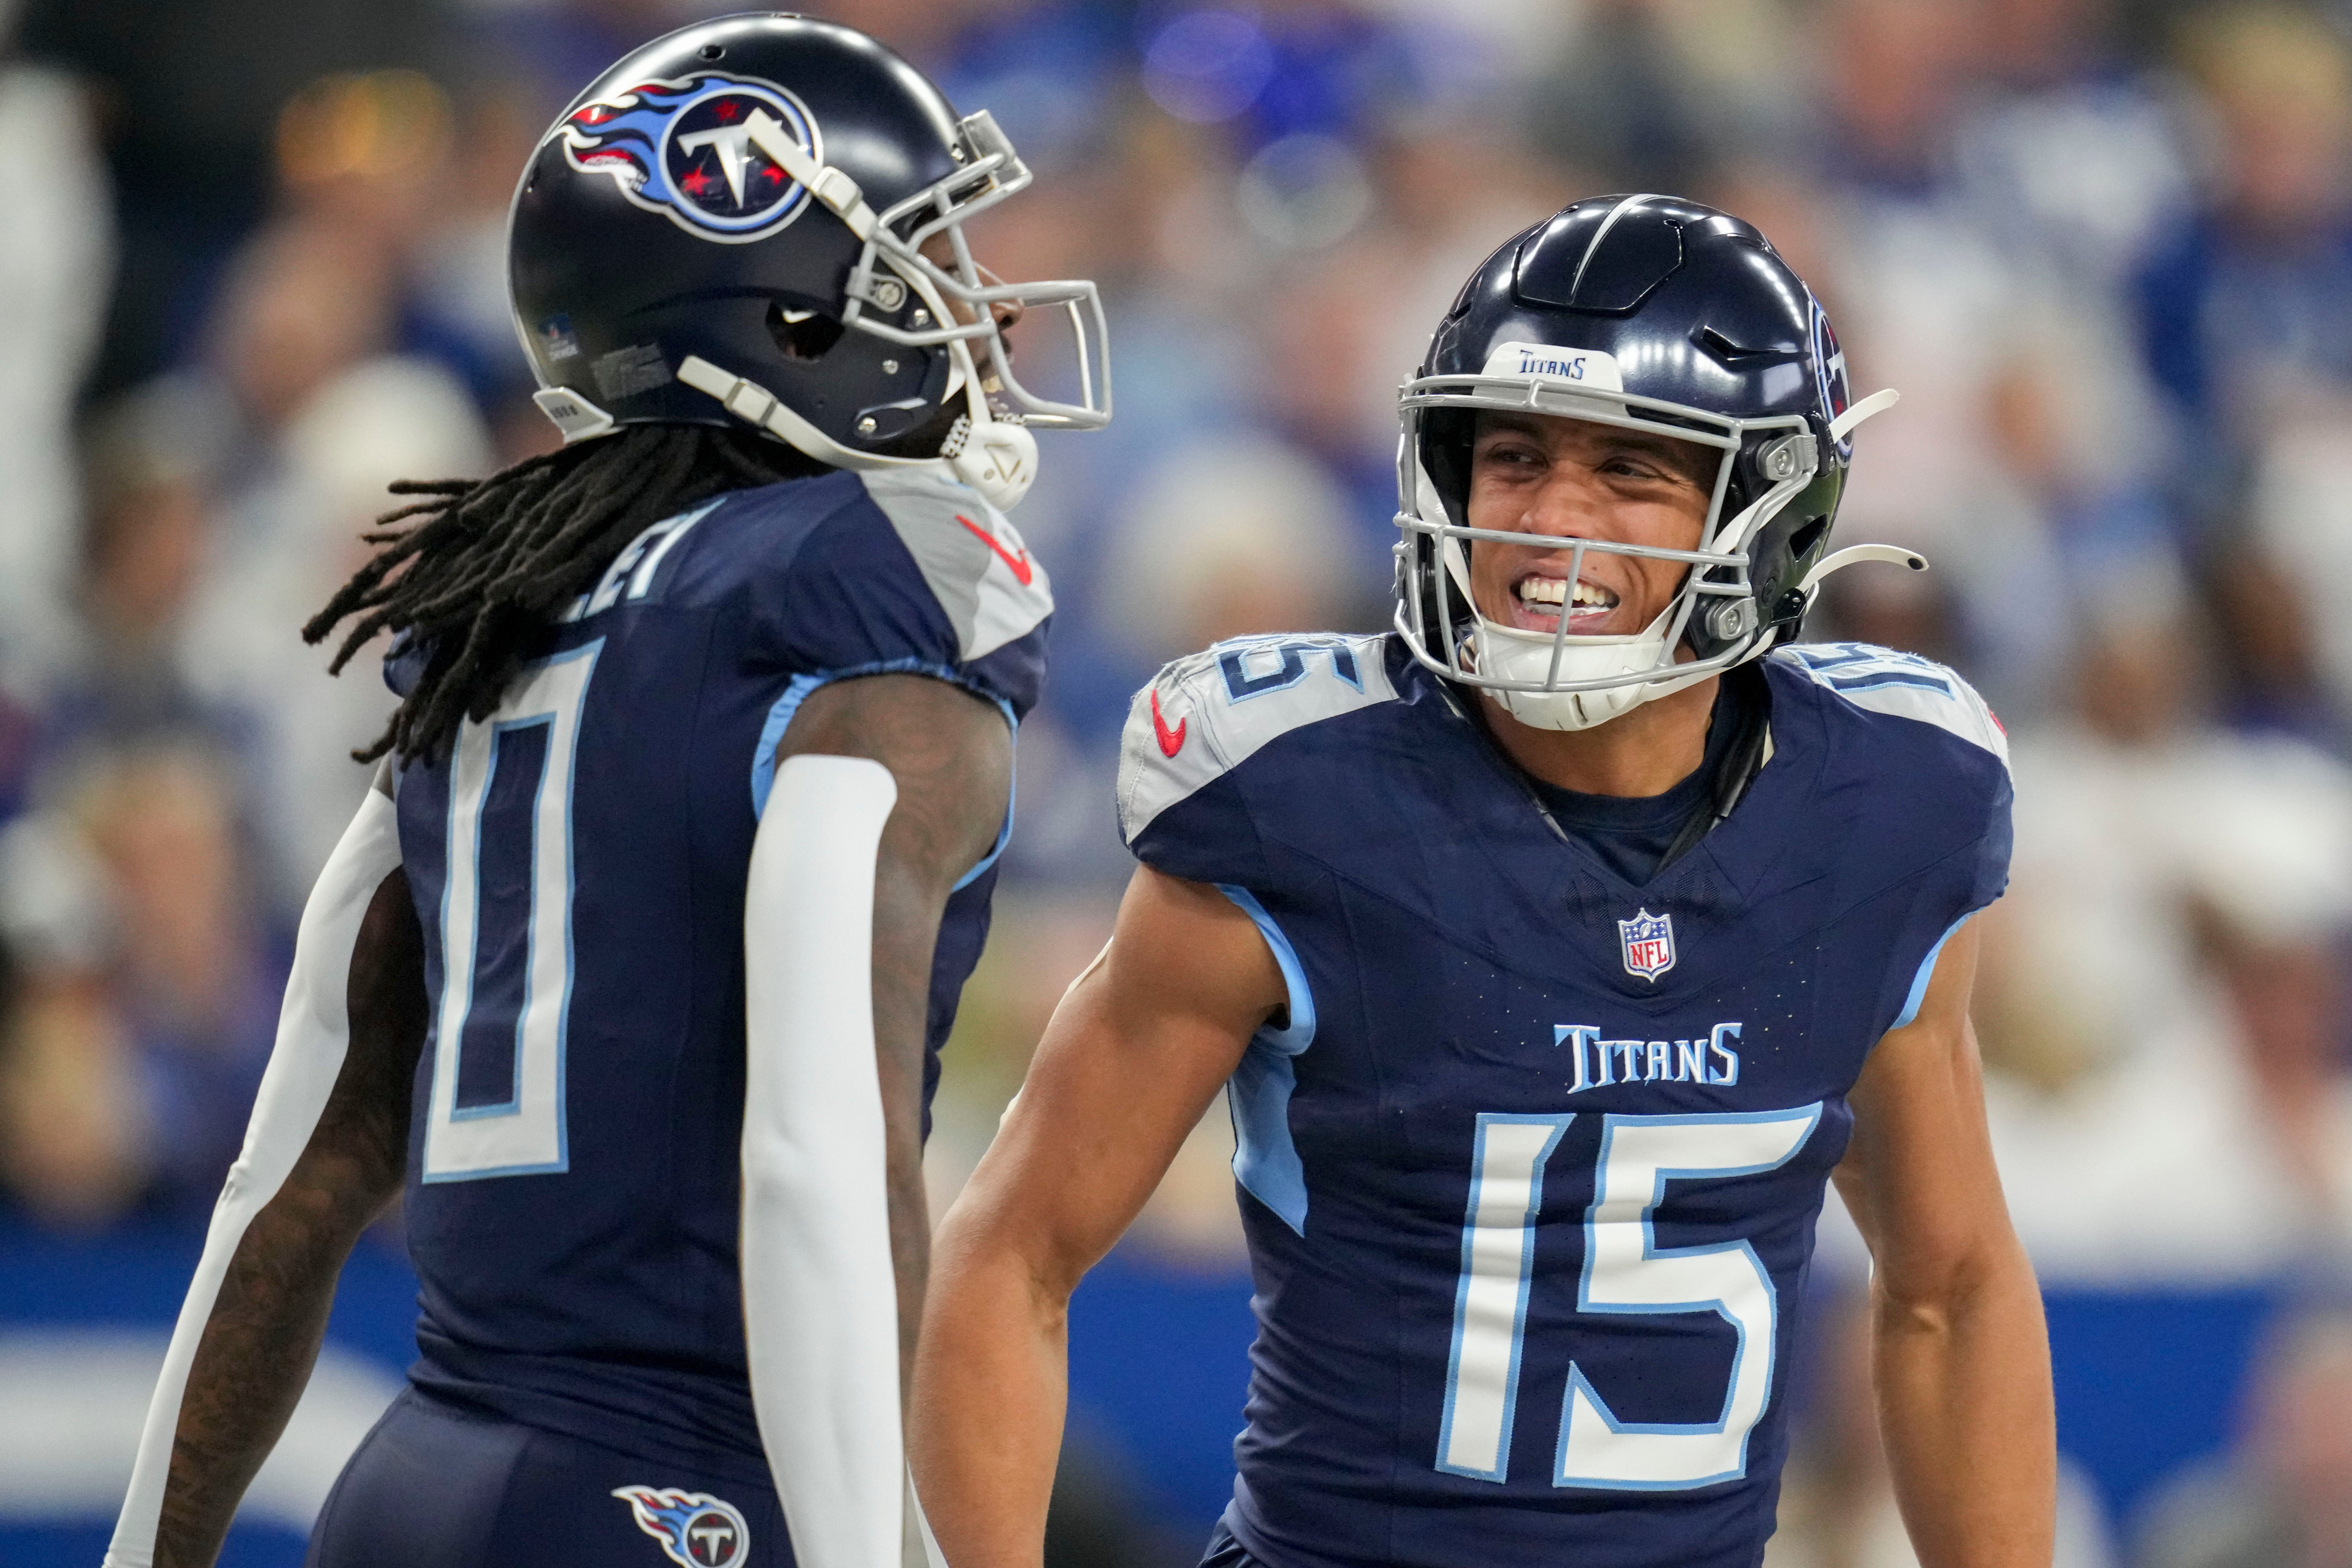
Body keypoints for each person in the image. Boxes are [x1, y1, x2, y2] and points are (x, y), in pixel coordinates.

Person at [912, 195, 2053, 1568]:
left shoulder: (1885, 805)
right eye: (1512, 455)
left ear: (1768, 509)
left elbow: (1950, 1285)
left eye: (1630, 468)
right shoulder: (1302, 802)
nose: (1549, 518)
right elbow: (1013, 1253)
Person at [101, 16, 1108, 1568]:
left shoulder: (508, 616)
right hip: (683, 1490)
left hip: (415, 1475)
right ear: (780, 304)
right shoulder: (864, 595)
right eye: (917, 257)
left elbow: (286, 1184)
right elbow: (815, 1151)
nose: (967, 307)